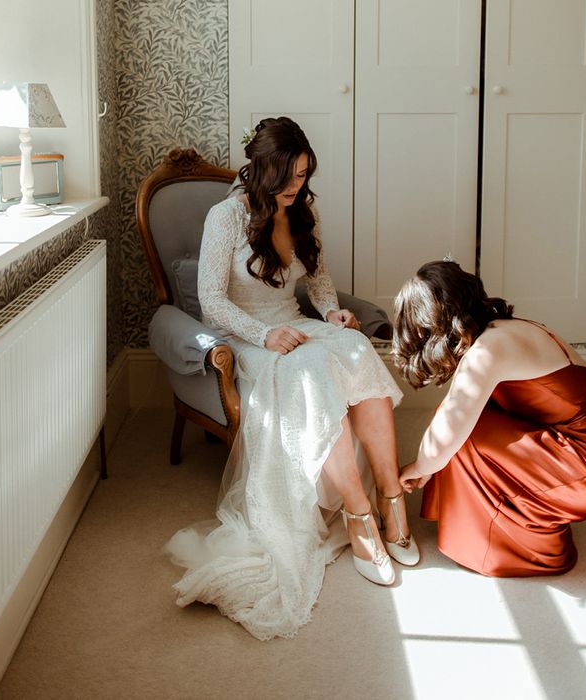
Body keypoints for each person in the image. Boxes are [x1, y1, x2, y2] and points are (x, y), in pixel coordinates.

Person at [164, 117, 419, 640]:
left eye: (303, 176)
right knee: (309, 375)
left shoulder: (304, 211)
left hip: (294, 323)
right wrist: (263, 335)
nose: (295, 187)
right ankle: (358, 514)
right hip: (248, 337)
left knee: (355, 350)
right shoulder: (226, 216)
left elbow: (320, 278)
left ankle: (392, 497)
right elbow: (212, 303)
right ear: (259, 169)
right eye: (286, 177)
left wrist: (331, 315)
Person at [392, 260, 586, 577]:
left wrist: (419, 468)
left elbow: (446, 434)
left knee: (459, 435)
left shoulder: (488, 351)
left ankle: (505, 546)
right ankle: (497, 518)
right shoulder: (510, 328)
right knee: (465, 423)